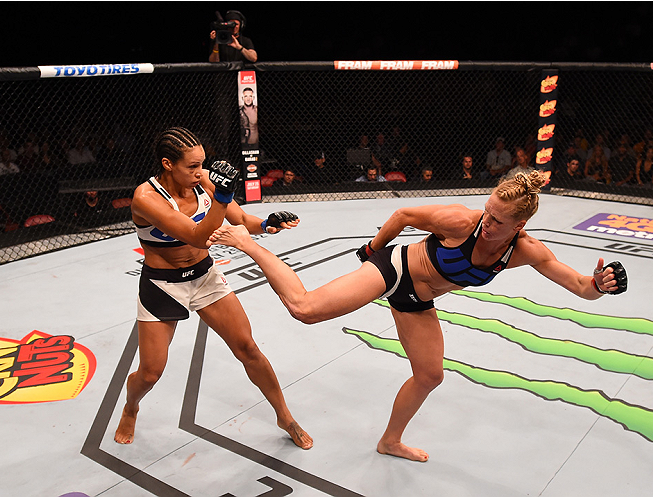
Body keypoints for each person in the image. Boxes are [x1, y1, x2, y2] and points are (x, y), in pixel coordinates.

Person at [208, 170, 627, 462]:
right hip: (396, 269)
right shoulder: (462, 221)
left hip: (417, 300)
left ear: (519, 225)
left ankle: (390, 441)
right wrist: (373, 249)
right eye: (487, 211)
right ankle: (250, 244)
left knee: (430, 375)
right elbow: (404, 216)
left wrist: (601, 285)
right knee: (305, 309)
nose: (486, 223)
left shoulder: (526, 251)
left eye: (498, 221)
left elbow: (580, 287)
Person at [114, 127, 312, 450]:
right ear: (167, 164)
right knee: (150, 372)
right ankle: (131, 406)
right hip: (163, 285)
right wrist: (221, 197)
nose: (200, 172)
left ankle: (284, 415)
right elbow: (197, 234)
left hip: (204, 276)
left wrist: (267, 224)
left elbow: (242, 221)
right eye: (191, 166)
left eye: (202, 163)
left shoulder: (203, 181)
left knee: (248, 348)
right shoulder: (145, 198)